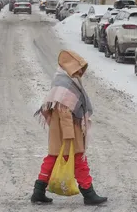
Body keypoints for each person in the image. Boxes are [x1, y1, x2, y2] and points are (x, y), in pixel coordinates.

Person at [31, 50, 108, 206]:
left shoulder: (63, 79)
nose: (80, 72)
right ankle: (89, 193)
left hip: (59, 131)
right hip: (68, 132)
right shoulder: (65, 82)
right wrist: (69, 136)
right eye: (78, 68)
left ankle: (38, 192)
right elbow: (64, 110)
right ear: (70, 66)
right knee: (79, 160)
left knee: (53, 159)